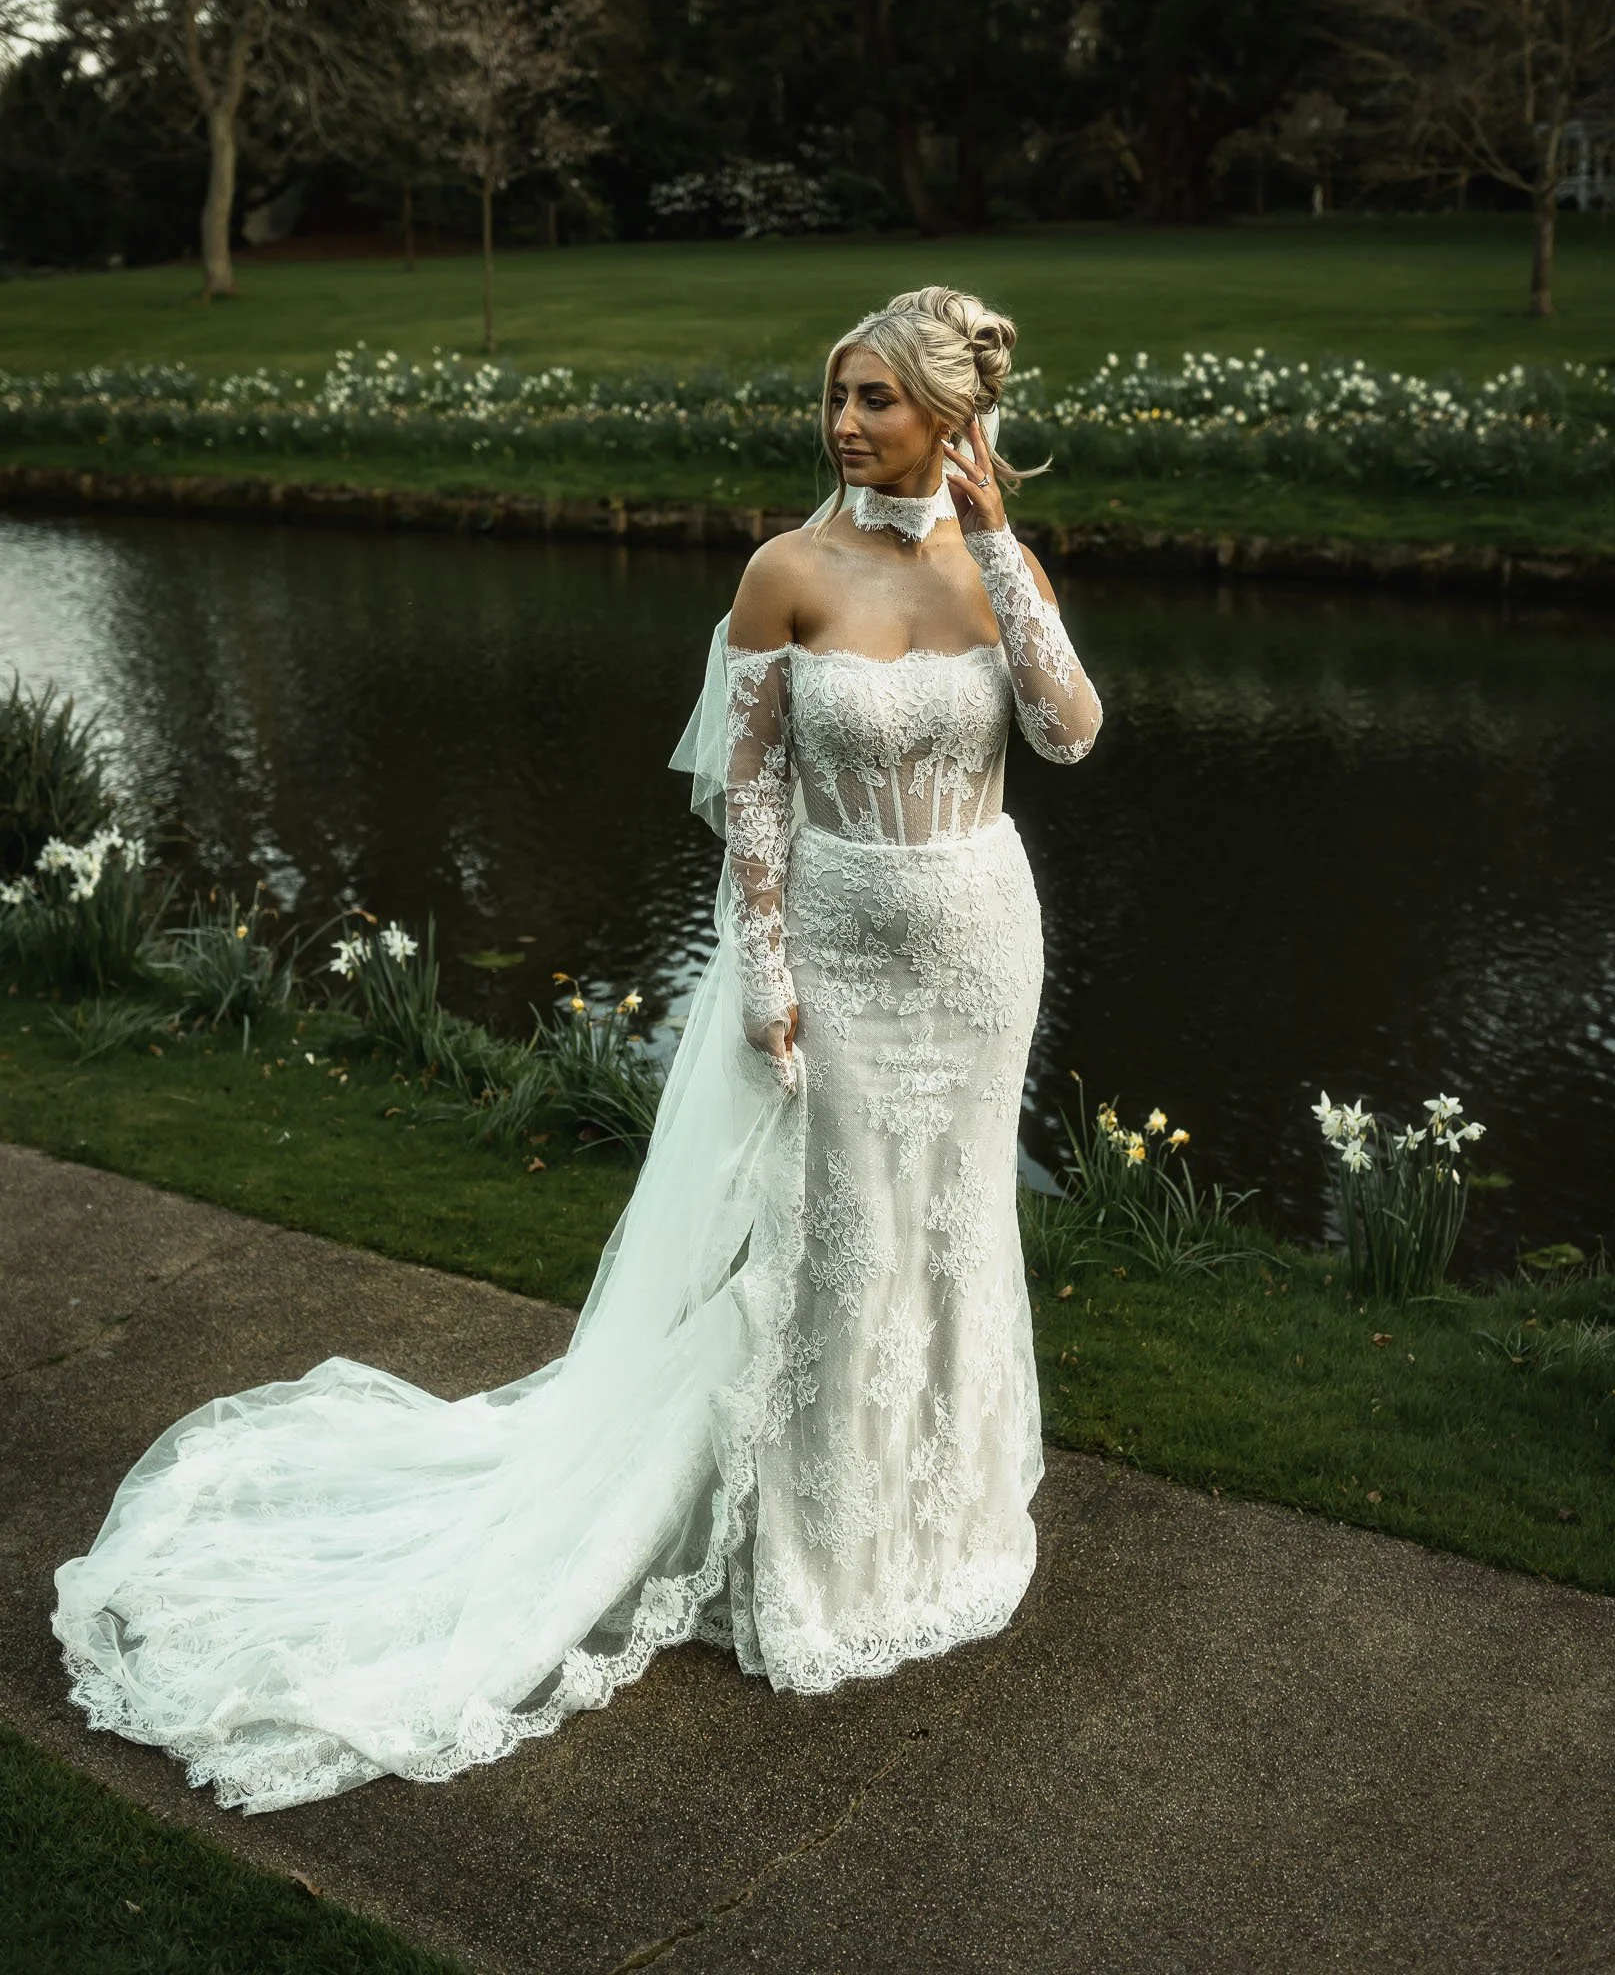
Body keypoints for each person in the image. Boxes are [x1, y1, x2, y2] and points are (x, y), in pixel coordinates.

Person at [53, 286, 1102, 1814]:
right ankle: (806, 1546)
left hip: (982, 945)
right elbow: (748, 790)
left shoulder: (997, 568)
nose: (845, 423)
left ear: (949, 416)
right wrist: (763, 962)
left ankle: (932, 1512)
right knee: (831, 1241)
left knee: (947, 1226)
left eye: (875, 398)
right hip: (841, 944)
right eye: (837, 396)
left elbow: (1066, 735)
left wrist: (998, 543)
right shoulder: (782, 573)